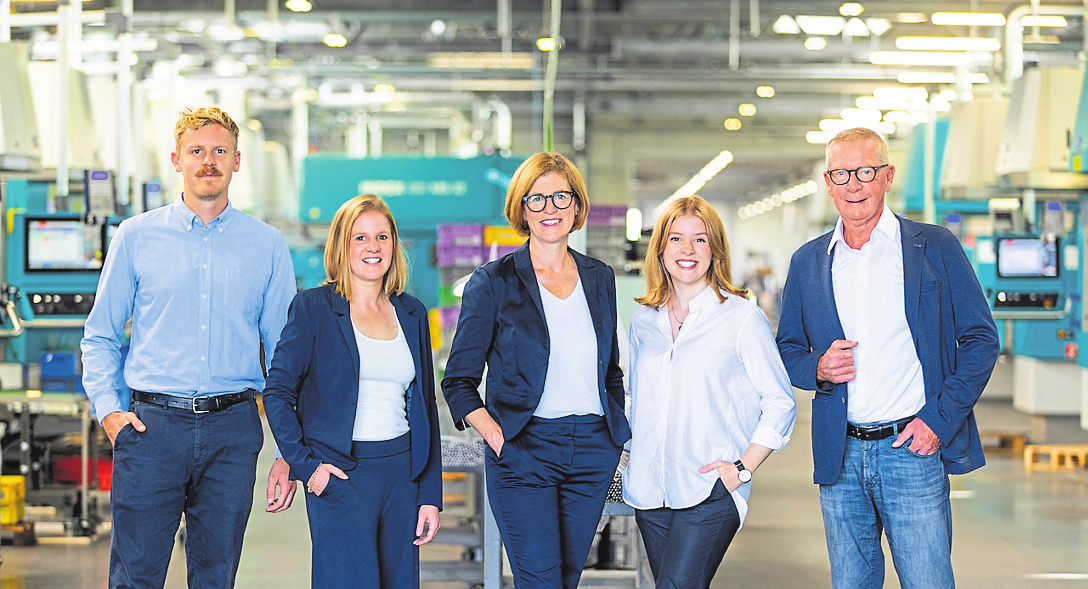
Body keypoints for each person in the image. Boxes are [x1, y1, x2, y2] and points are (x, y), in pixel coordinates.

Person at [80, 106, 298, 589]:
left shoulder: (266, 245)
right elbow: (100, 335)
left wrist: (289, 447)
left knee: (216, 578)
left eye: (220, 151)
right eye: (196, 151)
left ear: (237, 161)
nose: (208, 161)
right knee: (136, 577)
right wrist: (111, 413)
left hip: (234, 431)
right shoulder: (134, 237)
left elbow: (285, 352)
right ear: (177, 160)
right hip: (150, 429)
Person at [775, 127, 999, 589]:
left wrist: (939, 420)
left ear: (887, 176)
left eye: (865, 171)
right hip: (841, 454)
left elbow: (980, 339)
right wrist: (817, 366)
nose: (853, 184)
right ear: (828, 180)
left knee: (927, 581)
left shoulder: (933, 247)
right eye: (841, 173)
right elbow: (788, 349)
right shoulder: (809, 261)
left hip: (911, 449)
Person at [442, 152, 631, 588]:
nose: (550, 209)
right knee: (541, 580)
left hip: (591, 449)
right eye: (537, 199)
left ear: (577, 205)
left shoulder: (599, 278)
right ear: (521, 209)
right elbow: (458, 381)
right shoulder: (492, 282)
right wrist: (496, 436)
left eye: (560, 197)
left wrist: (614, 435)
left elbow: (611, 371)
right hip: (524, 447)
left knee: (565, 578)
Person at [262, 194, 442, 588]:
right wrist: (307, 468)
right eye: (360, 238)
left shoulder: (412, 313)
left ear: (394, 245)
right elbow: (277, 393)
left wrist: (430, 494)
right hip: (340, 475)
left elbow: (425, 408)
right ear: (341, 246)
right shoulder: (314, 309)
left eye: (382, 236)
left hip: (401, 476)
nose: (373, 247)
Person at [623, 195, 796, 588]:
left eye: (700, 240)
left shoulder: (741, 318)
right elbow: (636, 397)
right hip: (651, 491)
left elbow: (780, 402)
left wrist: (742, 468)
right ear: (660, 249)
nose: (687, 250)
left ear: (715, 250)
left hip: (709, 490)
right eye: (676, 239)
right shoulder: (643, 323)